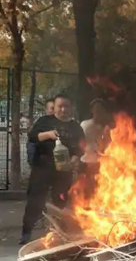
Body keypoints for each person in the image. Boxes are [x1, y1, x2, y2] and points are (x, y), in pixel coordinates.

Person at [20, 94, 85, 244]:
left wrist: (75, 157)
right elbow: (32, 137)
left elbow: (81, 146)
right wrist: (47, 135)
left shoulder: (75, 127)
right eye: (60, 106)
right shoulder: (45, 121)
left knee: (60, 202)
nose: (63, 109)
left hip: (63, 170)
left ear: (71, 108)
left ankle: (60, 234)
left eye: (66, 106)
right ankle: (26, 232)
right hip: (42, 167)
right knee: (35, 199)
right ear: (54, 107)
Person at [79, 99, 111, 194]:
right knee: (86, 189)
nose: (98, 112)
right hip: (85, 162)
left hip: (99, 163)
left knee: (98, 189)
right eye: (96, 109)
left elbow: (109, 145)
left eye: (100, 109)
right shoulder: (84, 125)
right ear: (92, 110)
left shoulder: (106, 128)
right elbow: (79, 142)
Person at [26, 99, 57, 165]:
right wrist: (48, 135)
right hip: (44, 160)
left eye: (56, 108)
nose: (55, 111)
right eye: (52, 108)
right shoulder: (42, 121)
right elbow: (32, 137)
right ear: (46, 110)